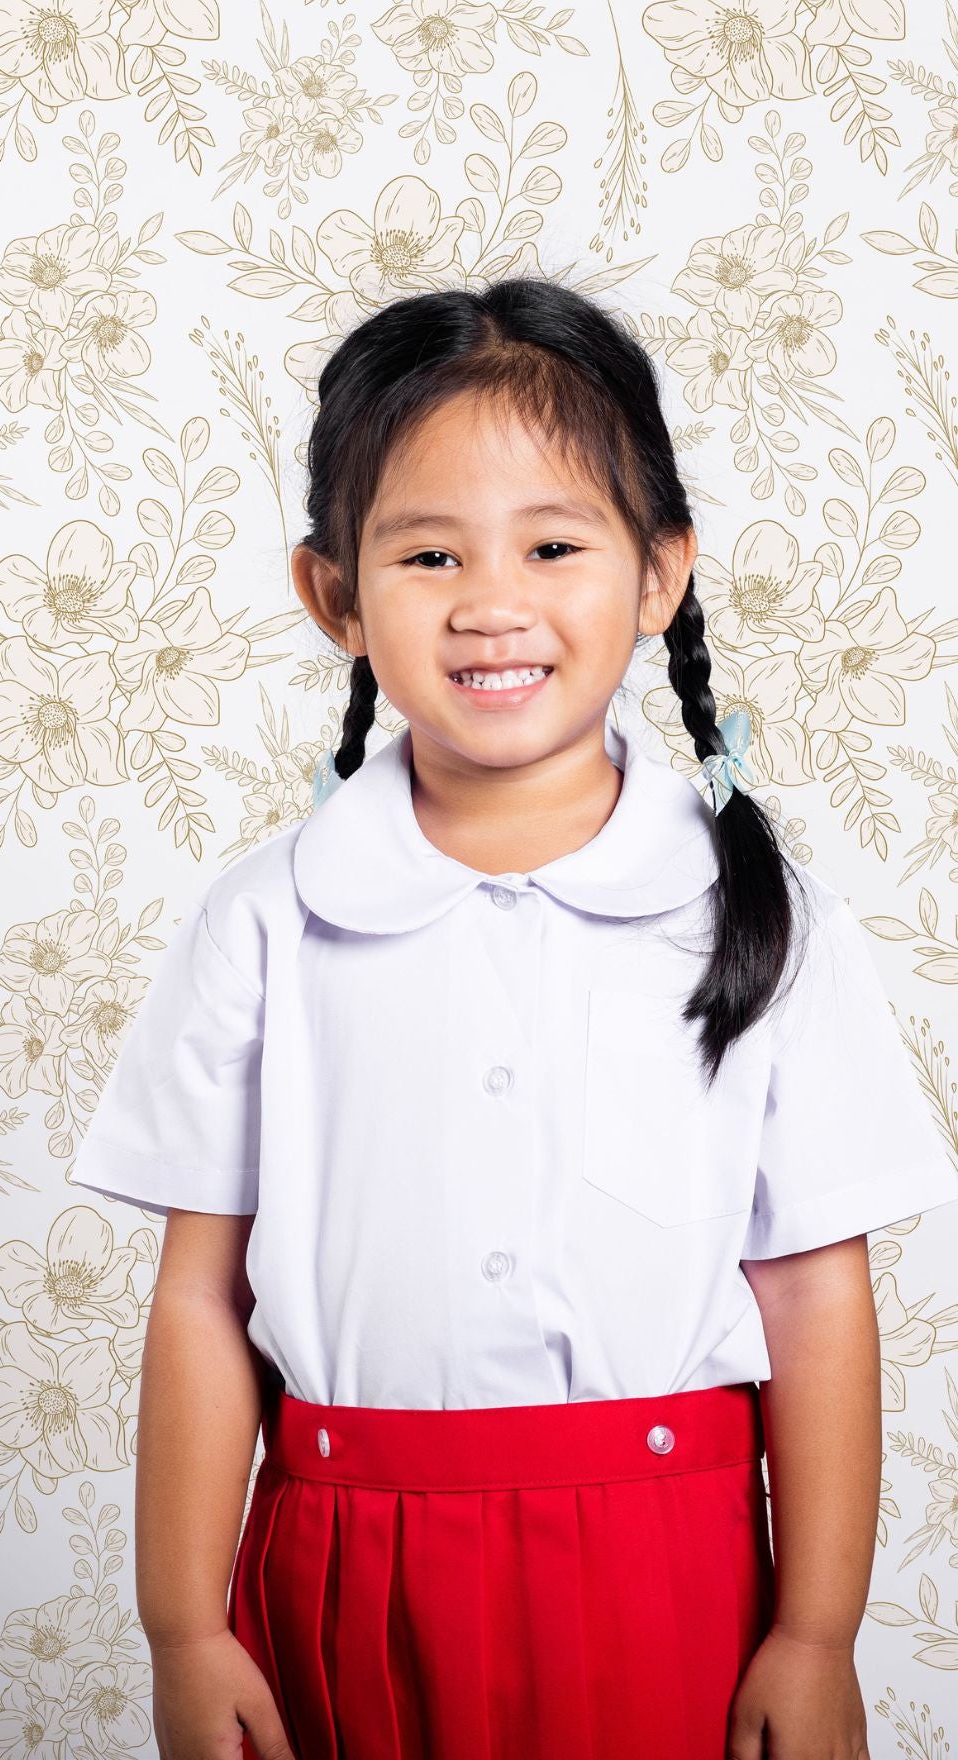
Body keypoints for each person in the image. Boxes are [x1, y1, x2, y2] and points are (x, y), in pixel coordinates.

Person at [66, 277, 958, 1760]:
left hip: (668, 1568)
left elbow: (814, 1295)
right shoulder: (266, 922)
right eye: (427, 553)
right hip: (344, 1560)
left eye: (553, 544)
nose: (492, 602)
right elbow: (198, 1301)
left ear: (659, 573)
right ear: (334, 595)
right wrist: (185, 1626)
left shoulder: (755, 914)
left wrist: (814, 1634)